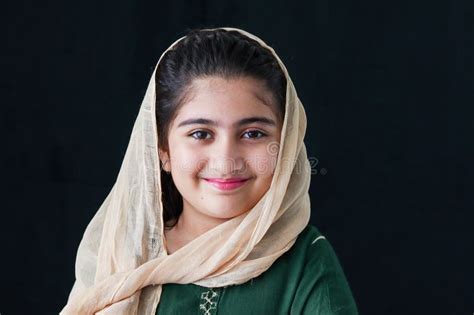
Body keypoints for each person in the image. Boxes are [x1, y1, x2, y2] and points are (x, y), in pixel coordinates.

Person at [60, 27, 358, 314]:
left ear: (286, 143)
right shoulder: (120, 256)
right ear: (162, 149)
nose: (226, 160)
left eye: (253, 133)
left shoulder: (306, 261)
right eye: (201, 134)